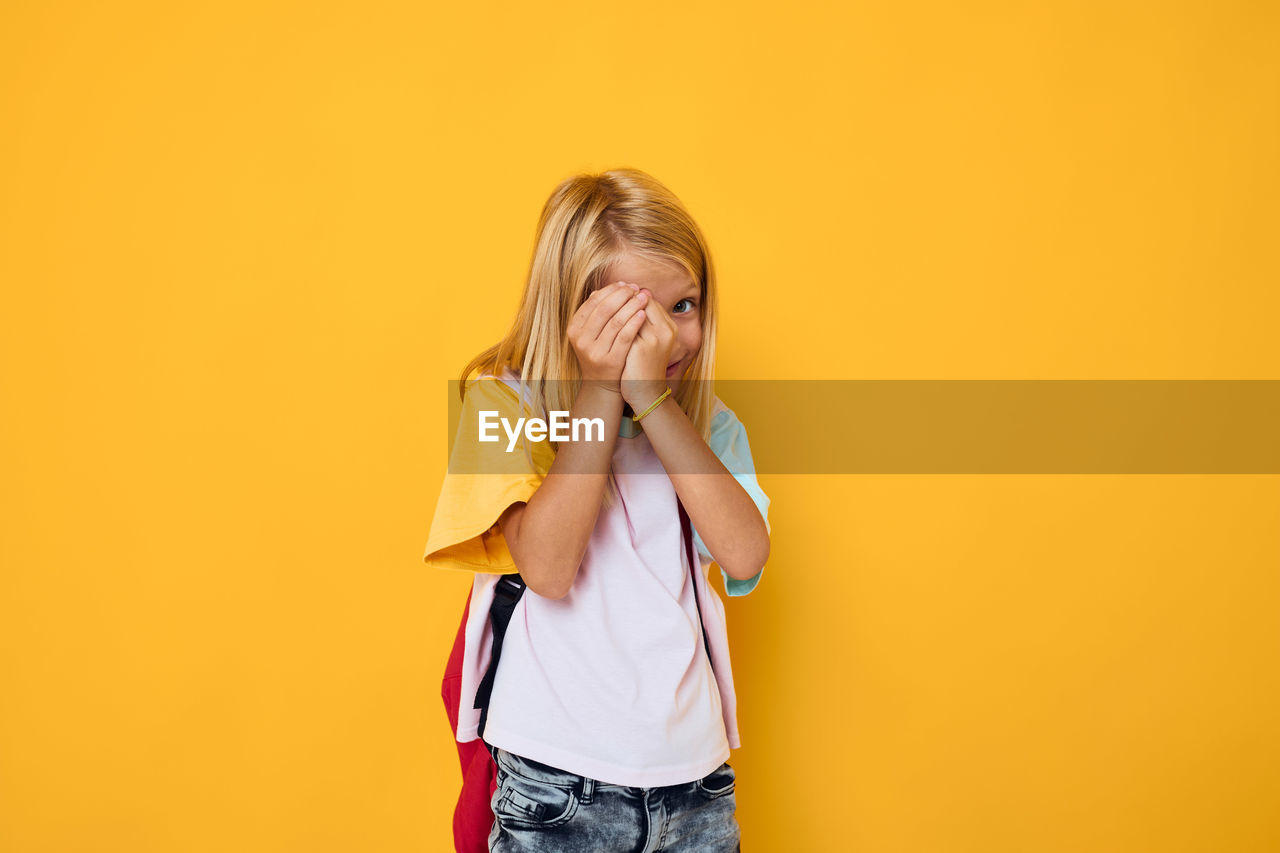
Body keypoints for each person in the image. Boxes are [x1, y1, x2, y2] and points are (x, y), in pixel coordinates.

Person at [424, 168, 771, 852]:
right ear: (572, 312)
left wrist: (655, 405)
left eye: (685, 306)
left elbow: (745, 553)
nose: (670, 338)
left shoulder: (703, 423)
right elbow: (550, 568)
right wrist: (599, 392)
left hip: (695, 781)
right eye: (639, 315)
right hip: (554, 779)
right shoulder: (505, 405)